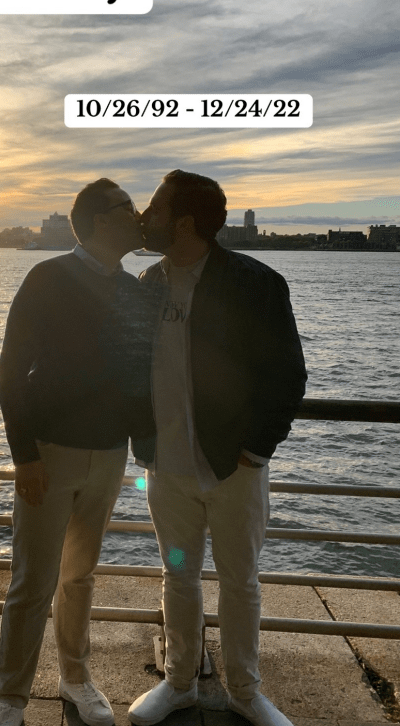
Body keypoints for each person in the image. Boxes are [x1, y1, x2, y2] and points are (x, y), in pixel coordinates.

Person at [128, 170, 307, 726]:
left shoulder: (256, 284)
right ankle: (180, 682)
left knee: (239, 581)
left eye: (152, 209)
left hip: (235, 473)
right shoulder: (146, 285)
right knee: (178, 573)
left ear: (182, 222)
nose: (142, 218)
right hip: (167, 472)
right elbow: (130, 370)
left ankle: (245, 690)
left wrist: (256, 451)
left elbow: (288, 377)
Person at [0, 178, 156, 726]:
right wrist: (24, 456)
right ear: (98, 221)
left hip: (108, 454)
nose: (137, 215)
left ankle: (76, 679)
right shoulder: (48, 277)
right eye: (126, 207)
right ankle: (10, 700)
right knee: (32, 582)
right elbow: (10, 371)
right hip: (49, 453)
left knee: (79, 577)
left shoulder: (134, 290)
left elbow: (140, 375)